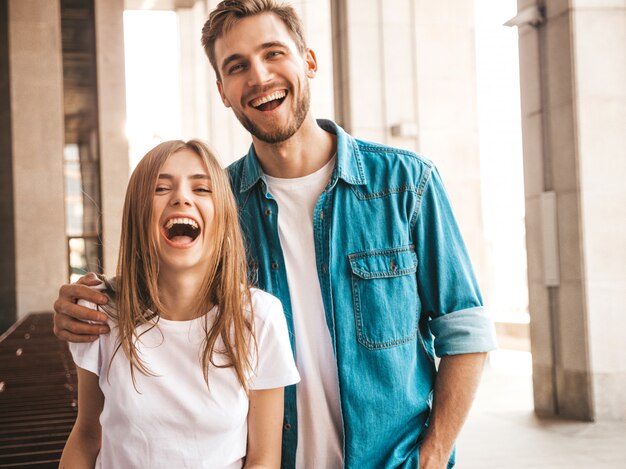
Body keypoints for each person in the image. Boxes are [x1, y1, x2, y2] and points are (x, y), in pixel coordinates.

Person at [53, 1, 497, 468]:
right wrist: (88, 301)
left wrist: (433, 456)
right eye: (237, 66)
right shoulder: (216, 205)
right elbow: (162, 291)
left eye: (273, 54)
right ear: (222, 90)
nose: (260, 77)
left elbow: (464, 331)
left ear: (308, 60)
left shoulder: (406, 183)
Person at [58, 140, 300, 469]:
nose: (182, 197)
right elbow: (87, 436)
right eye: (160, 188)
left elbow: (263, 459)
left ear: (223, 217)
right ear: (138, 217)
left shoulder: (260, 317)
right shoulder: (102, 311)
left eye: (201, 188)